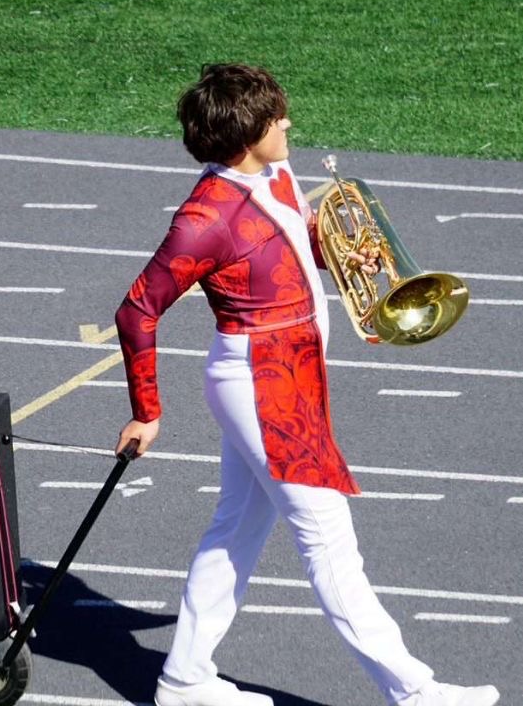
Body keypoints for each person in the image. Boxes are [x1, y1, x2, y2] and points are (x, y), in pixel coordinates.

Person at [113, 63, 500, 706]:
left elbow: (291, 242)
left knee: (236, 526)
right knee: (329, 540)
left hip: (290, 374)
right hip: (261, 383)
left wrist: (344, 252)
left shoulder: (275, 174)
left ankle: (184, 680)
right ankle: (416, 692)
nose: (288, 122)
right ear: (246, 133)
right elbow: (137, 310)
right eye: (275, 117)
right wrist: (146, 412)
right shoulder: (203, 220)